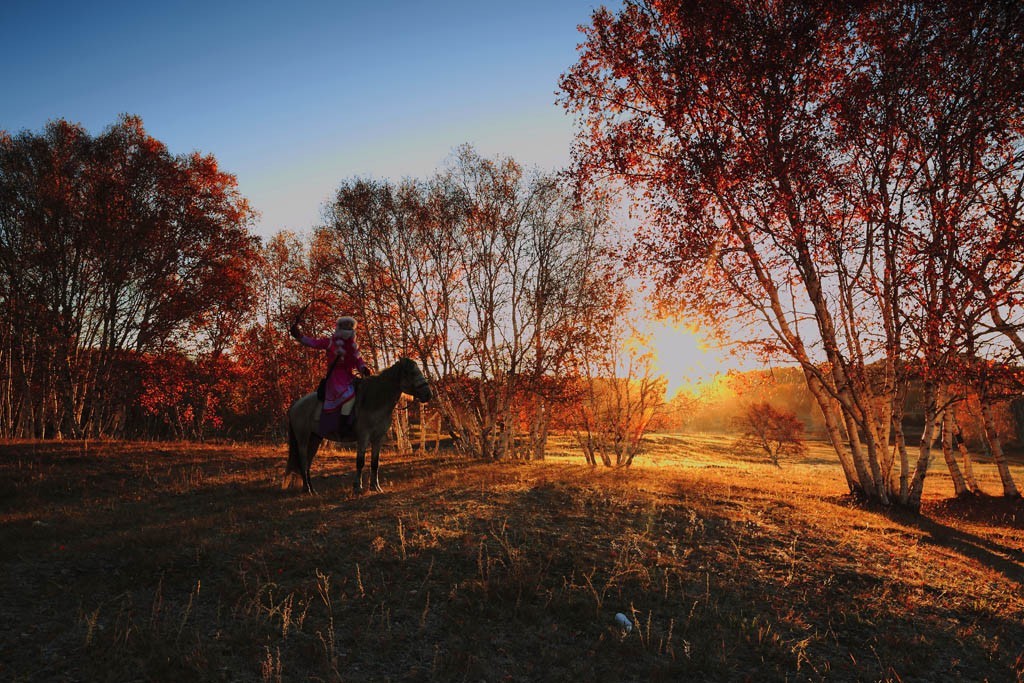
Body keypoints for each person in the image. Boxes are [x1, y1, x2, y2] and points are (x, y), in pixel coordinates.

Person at [291, 315, 372, 437]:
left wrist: (363, 368)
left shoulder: (353, 347)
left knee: (363, 393)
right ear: (339, 328)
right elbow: (313, 342)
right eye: (345, 327)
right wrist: (299, 336)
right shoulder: (330, 343)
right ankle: (343, 425)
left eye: (350, 327)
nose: (348, 329)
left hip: (349, 377)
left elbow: (358, 361)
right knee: (348, 396)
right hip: (335, 378)